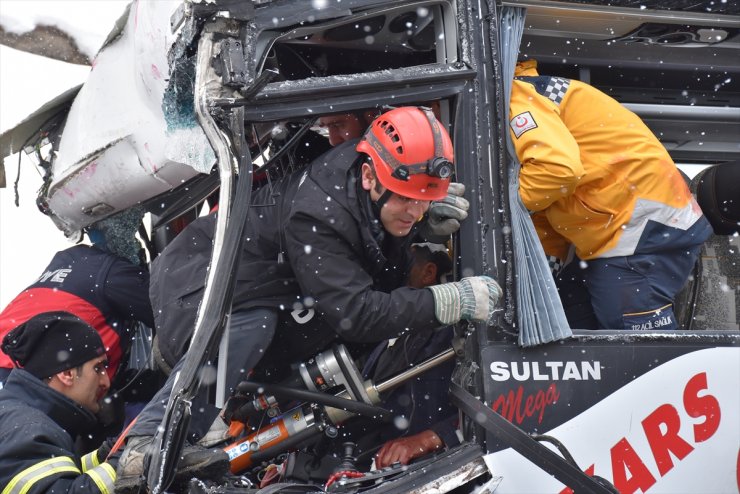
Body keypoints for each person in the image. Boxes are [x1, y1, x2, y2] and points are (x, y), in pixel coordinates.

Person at [119, 106, 500, 481]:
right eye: (404, 198)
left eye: (423, 200)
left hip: (266, 288)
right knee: (251, 323)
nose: (414, 211)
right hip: (197, 279)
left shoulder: (369, 188)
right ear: (370, 176)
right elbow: (359, 313)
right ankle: (146, 442)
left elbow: (376, 276)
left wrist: (418, 228)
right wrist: (448, 300)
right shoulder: (318, 212)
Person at [509, 59, 713, 330]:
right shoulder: (531, 96)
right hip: (621, 230)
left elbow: (558, 172)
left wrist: (505, 208)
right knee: (569, 313)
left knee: (635, 345)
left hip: (642, 227)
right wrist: (543, 266)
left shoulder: (517, 97)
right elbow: (550, 202)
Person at [0, 207, 155, 386]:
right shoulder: (113, 272)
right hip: (24, 372)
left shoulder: (69, 259)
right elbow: (169, 315)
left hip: (14, 362)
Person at [0, 311, 117, 492]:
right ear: (67, 373)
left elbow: (52, 471)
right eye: (98, 368)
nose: (105, 382)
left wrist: (105, 455)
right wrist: (123, 467)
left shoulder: (19, 416)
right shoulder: (29, 428)